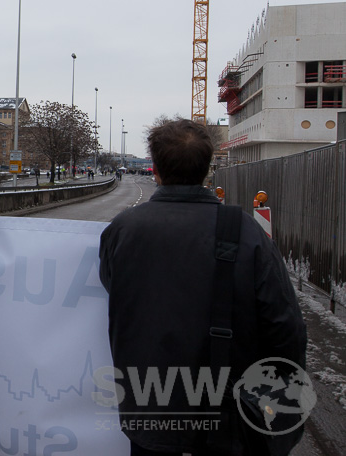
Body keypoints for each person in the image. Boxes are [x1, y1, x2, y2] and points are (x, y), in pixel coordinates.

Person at [98, 118, 306, 455]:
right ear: (207, 169)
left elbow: (115, 289)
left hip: (148, 411)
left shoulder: (122, 229)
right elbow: (285, 327)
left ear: (156, 170)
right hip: (228, 418)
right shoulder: (246, 231)